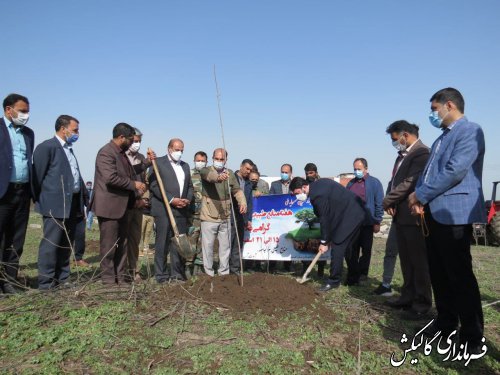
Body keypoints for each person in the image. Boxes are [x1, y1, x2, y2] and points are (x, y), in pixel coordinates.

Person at [408, 88, 486, 352]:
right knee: (439, 273)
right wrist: (420, 199)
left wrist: (421, 194)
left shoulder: (469, 131)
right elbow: (430, 174)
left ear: (449, 105)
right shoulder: (442, 138)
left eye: (434, 109)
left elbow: (455, 170)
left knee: (459, 275)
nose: (433, 114)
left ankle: (472, 336)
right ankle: (445, 323)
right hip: (434, 213)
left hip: (455, 213)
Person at [382, 121, 432, 319]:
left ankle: (421, 304)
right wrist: (391, 202)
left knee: (418, 261)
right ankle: (407, 296)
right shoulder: (401, 156)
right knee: (406, 260)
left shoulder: (422, 153)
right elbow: (394, 182)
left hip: (413, 215)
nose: (395, 143)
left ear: (405, 135)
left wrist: (387, 200)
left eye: (395, 139)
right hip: (400, 215)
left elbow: (409, 183)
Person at [32, 115, 87, 290]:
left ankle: (63, 279)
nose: (78, 133)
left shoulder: (68, 149)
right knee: (51, 244)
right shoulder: (47, 147)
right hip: (54, 205)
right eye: (75, 129)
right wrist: (43, 200)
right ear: (63, 129)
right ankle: (46, 282)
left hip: (71, 205)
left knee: (65, 244)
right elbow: (37, 178)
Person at [91, 123, 148, 285]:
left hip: (124, 207)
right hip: (110, 207)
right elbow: (110, 178)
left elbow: (130, 172)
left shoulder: (121, 154)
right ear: (121, 137)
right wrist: (134, 185)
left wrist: (147, 164)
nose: (132, 142)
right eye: (130, 139)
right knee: (109, 246)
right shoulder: (106, 153)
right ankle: (108, 280)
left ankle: (120, 278)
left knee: (122, 244)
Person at [290, 177, 365, 292]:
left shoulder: (317, 195)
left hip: (350, 215)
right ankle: (354, 278)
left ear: (304, 187)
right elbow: (326, 214)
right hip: (352, 213)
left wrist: (324, 241)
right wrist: (327, 237)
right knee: (349, 248)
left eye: (298, 193)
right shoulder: (318, 185)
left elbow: (324, 219)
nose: (297, 197)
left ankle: (334, 281)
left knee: (338, 246)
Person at [0, 93, 34, 295]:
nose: (26, 115)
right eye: (22, 111)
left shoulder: (28, 133)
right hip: (3, 192)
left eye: (27, 111)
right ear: (8, 109)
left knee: (16, 239)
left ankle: (10, 281)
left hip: (22, 193)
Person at [149, 138, 193, 283]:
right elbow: (154, 185)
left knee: (178, 243)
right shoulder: (158, 163)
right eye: (177, 149)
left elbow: (190, 186)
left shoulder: (185, 166)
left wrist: (186, 199)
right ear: (169, 149)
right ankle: (161, 275)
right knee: (162, 242)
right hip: (163, 209)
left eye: (181, 150)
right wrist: (171, 199)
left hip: (181, 210)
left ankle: (177, 274)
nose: (179, 153)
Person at [200, 148, 246, 276]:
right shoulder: (206, 170)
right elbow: (211, 177)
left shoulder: (230, 173)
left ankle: (223, 273)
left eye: (222, 159)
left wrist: (242, 202)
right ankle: (208, 273)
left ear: (226, 160)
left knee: (225, 248)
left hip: (225, 216)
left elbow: (237, 190)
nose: (219, 161)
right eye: (217, 159)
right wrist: (219, 177)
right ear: (213, 158)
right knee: (208, 247)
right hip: (209, 215)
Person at [345, 158, 384, 285]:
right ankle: (353, 273)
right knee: (352, 250)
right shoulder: (350, 184)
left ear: (366, 169)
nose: (356, 172)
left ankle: (363, 274)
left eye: (359, 169)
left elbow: (379, 203)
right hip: (352, 224)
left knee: (366, 250)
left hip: (367, 222)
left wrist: (377, 221)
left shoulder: (374, 183)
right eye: (355, 169)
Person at [125, 127, 151, 281]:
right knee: (121, 239)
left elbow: (145, 181)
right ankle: (120, 270)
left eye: (139, 141)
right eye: (134, 141)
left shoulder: (142, 158)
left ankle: (134, 270)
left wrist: (144, 199)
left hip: (138, 205)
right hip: (124, 204)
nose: (137, 144)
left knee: (135, 239)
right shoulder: (121, 157)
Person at [186, 151, 208, 276]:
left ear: (206, 162)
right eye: (198, 160)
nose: (200, 162)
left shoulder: (209, 175)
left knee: (203, 241)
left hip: (206, 215)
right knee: (191, 240)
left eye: (202, 160)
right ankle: (188, 265)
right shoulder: (189, 174)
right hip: (192, 214)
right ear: (194, 161)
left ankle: (199, 266)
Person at [231, 159, 255, 274]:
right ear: (241, 166)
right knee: (228, 242)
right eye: (246, 168)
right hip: (230, 214)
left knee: (238, 243)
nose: (248, 171)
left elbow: (249, 202)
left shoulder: (249, 183)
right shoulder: (231, 178)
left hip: (242, 216)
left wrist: (249, 219)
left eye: (250, 170)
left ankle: (235, 268)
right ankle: (224, 267)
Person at [373, 224, 398, 296]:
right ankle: (386, 285)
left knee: (411, 256)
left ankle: (412, 285)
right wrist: (387, 211)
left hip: (414, 223)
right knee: (390, 252)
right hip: (397, 221)